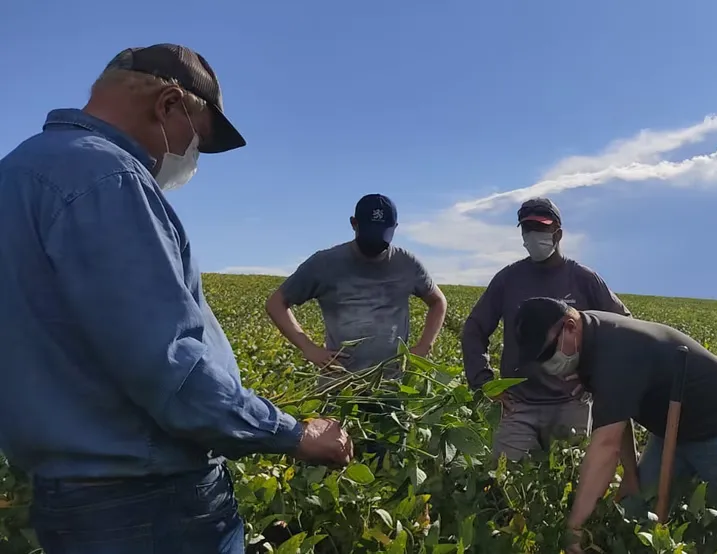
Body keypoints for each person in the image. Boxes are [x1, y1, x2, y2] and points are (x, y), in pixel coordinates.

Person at [0, 44, 352, 554]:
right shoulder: (108, 178)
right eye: (198, 140)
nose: (192, 158)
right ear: (168, 105)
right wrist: (293, 433)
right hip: (149, 502)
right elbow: (168, 367)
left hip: (69, 499)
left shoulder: (18, 172)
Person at [511, 297, 717, 554]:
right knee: (635, 509)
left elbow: (606, 446)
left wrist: (574, 526)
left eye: (547, 353)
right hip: (672, 429)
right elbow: (616, 417)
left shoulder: (614, 351)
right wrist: (630, 475)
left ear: (570, 327)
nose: (547, 365)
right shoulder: (588, 341)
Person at [266, 194, 447, 463]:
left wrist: (423, 346)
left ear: (395, 228)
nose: (376, 243)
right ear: (354, 224)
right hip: (339, 388)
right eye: (369, 233)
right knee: (330, 466)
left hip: (390, 390)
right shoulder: (324, 263)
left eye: (383, 235)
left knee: (387, 467)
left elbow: (438, 301)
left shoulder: (407, 263)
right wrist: (309, 348)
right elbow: (276, 303)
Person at [461, 197, 630, 462]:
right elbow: (474, 329)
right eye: (527, 228)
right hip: (518, 406)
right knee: (503, 476)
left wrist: (595, 377)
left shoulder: (583, 279)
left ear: (557, 233)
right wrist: (484, 382)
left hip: (571, 404)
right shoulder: (508, 279)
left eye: (540, 228)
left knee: (569, 476)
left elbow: (623, 326)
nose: (532, 235)